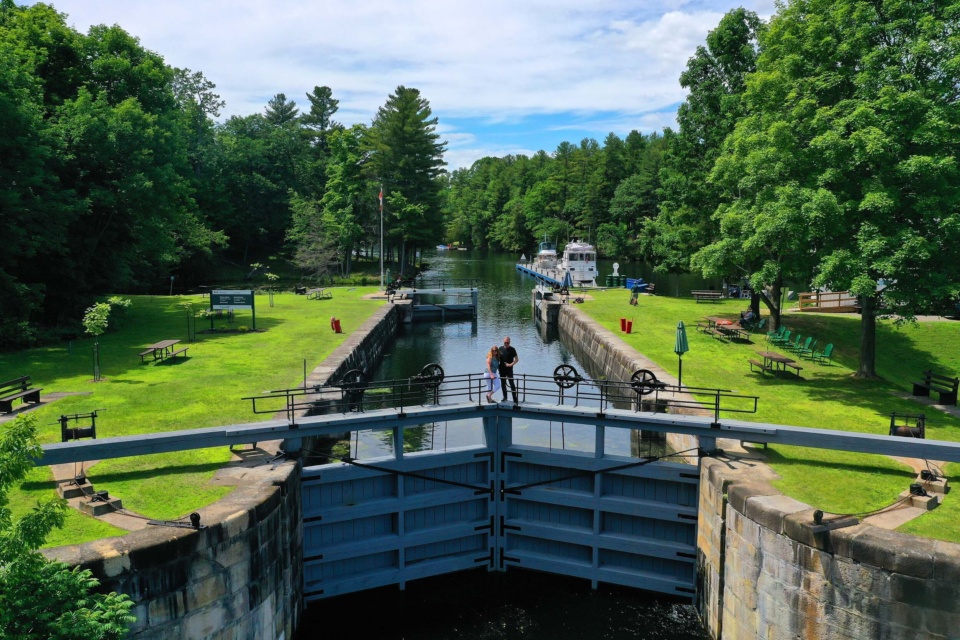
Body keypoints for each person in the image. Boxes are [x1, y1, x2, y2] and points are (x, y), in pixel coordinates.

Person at [498, 337, 519, 404]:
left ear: (510, 342)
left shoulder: (512, 349)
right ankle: (505, 397)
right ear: (503, 342)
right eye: (505, 343)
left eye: (508, 343)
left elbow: (516, 359)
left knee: (511, 383)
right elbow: (496, 358)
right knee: (503, 383)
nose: (506, 344)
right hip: (501, 369)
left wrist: (510, 364)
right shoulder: (500, 349)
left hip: (509, 369)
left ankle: (515, 399)